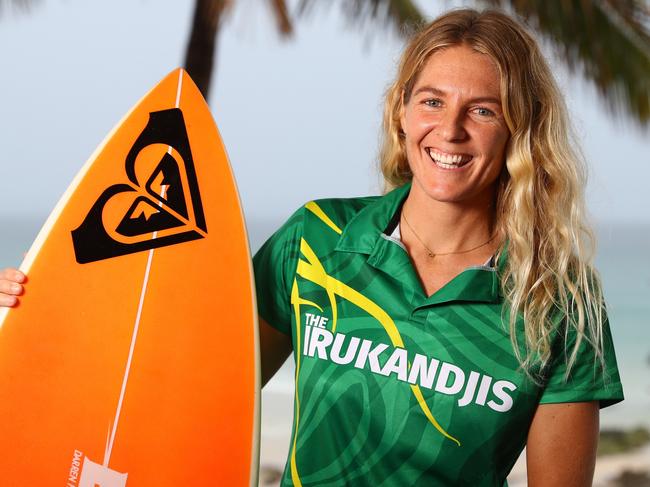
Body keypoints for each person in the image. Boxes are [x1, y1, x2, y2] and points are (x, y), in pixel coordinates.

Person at [0, 8, 623, 486]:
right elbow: (185, 379)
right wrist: (37, 313)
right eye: (432, 101)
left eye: (483, 110)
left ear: (520, 130)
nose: (450, 130)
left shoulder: (559, 300)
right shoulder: (318, 240)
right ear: (400, 113)